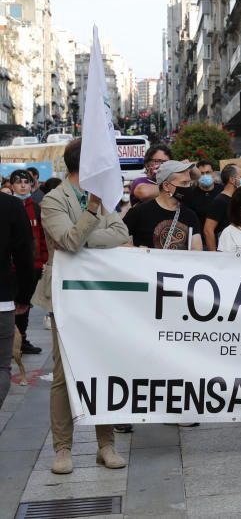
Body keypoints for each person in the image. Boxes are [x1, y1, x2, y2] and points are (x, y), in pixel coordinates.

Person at [35, 138, 130, 474]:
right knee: (64, 373)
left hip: (101, 294)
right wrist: (91, 215)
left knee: (103, 366)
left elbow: (121, 233)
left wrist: (87, 233)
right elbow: (68, 242)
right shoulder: (52, 200)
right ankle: (63, 449)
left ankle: (106, 445)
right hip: (66, 294)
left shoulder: (103, 201)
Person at [0, 189, 34, 409]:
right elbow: (24, 255)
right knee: (2, 367)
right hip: (1, 298)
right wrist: (23, 296)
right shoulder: (11, 205)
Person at [123, 160, 204, 251]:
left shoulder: (190, 215)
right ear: (166, 186)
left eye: (190, 183)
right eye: (184, 183)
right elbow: (115, 241)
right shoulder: (139, 212)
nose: (188, 187)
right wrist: (139, 251)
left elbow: (197, 251)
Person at [8, 169, 45, 354]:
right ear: (11, 185)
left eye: (26, 181)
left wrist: (43, 260)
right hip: (12, 267)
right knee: (10, 306)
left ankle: (22, 340)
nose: (23, 185)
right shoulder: (8, 207)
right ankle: (9, 342)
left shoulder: (37, 208)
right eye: (18, 182)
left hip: (34, 266)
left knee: (25, 305)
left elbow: (43, 237)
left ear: (32, 185)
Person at [204, 164, 240, 251]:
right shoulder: (220, 201)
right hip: (226, 252)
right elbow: (208, 230)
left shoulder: (238, 199)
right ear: (232, 180)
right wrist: (214, 256)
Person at [187, 159, 222, 226]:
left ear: (213, 173)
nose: (205, 175)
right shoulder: (191, 193)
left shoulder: (222, 190)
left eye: (208, 172)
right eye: (202, 173)